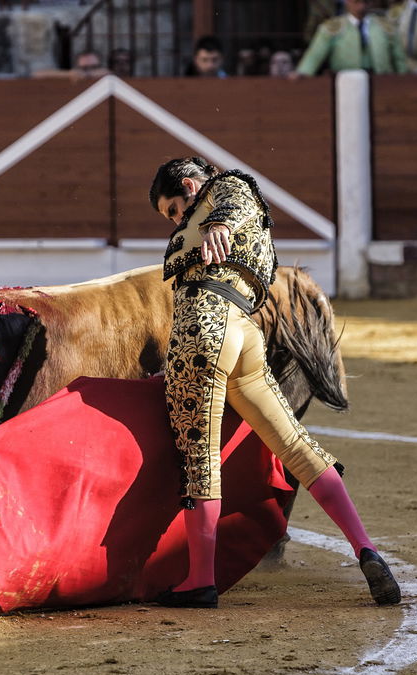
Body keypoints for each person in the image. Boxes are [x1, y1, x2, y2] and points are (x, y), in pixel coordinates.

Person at [147, 156, 401, 609]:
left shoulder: (223, 194)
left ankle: (200, 581)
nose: (177, 219)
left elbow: (232, 201)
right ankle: (367, 548)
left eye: (173, 209)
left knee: (199, 459)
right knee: (297, 445)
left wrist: (215, 224)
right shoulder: (224, 208)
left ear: (189, 185)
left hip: (202, 331)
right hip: (244, 333)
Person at [297, 0, 408, 75]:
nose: (361, 6)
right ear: (347, 1)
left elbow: (399, 60)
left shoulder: (386, 27)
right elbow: (314, 56)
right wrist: (302, 73)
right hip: (346, 82)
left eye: (364, 1)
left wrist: (404, 80)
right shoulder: (332, 28)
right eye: (356, 1)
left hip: (382, 82)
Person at [31, 49, 107, 80]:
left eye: (94, 67)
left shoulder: (107, 75)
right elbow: (36, 74)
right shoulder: (71, 76)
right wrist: (68, 74)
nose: (90, 70)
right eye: (84, 68)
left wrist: (88, 74)